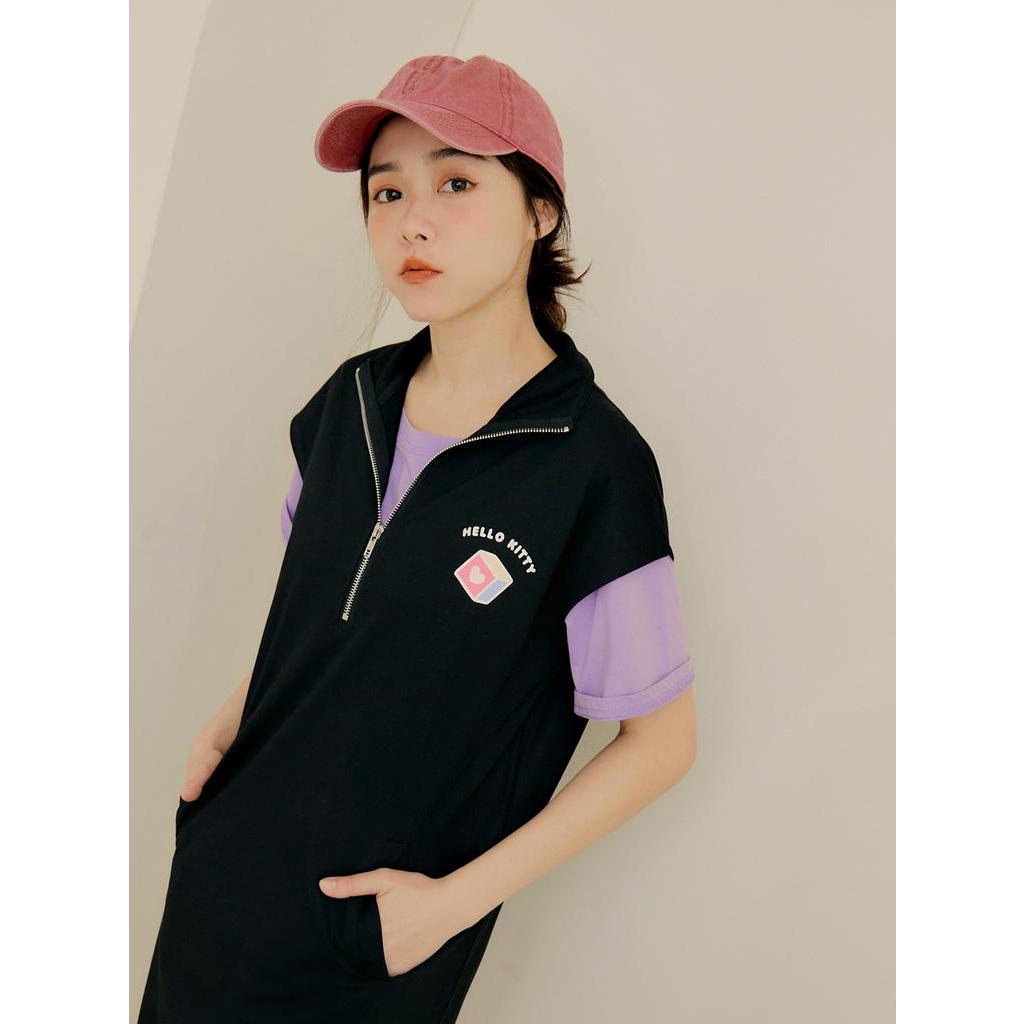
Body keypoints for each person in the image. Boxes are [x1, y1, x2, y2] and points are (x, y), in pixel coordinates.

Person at [139, 53, 698, 1024]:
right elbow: (317, 614)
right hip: (224, 880)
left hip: (375, 939)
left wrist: (449, 906)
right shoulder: (346, 404)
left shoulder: (592, 466)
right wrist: (229, 722)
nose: (412, 222)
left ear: (541, 211)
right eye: (386, 192)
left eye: (456, 183)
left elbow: (661, 744)